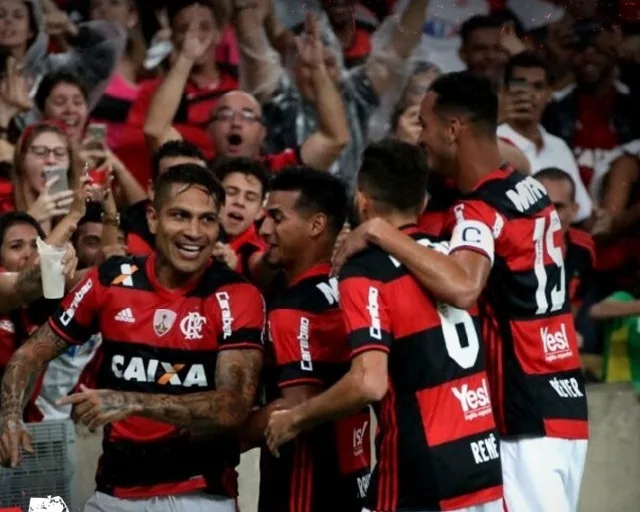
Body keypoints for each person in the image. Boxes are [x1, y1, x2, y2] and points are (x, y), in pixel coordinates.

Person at [333, 73, 589, 512]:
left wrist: (379, 231)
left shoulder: (478, 209)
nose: (422, 137)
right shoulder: (530, 189)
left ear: (453, 128)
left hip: (522, 414)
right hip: (564, 408)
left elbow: (463, 286)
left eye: (426, 124)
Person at [0, 165, 265, 512]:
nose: (194, 232)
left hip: (199, 495)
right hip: (114, 493)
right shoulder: (111, 280)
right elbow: (31, 353)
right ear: (153, 218)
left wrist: (128, 402)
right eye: (180, 216)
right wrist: (9, 417)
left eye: (207, 220)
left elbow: (232, 407)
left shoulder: (237, 294)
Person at [266, 140, 503, 512]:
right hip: (483, 462)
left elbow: (368, 382)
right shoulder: (446, 260)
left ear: (362, 202)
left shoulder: (366, 272)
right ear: (423, 203)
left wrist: (294, 419)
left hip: (420, 470)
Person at [241, 166, 371, 511]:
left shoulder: (293, 309)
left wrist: (223, 440)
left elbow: (293, 409)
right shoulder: (354, 288)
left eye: (277, 218)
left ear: (316, 225)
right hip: (355, 472)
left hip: (304, 483)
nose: (265, 229)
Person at [497, 52, 592, 224]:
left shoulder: (558, 146)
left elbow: (582, 211)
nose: (529, 94)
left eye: (538, 86)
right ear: (504, 91)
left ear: (549, 94)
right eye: (520, 85)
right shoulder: (492, 140)